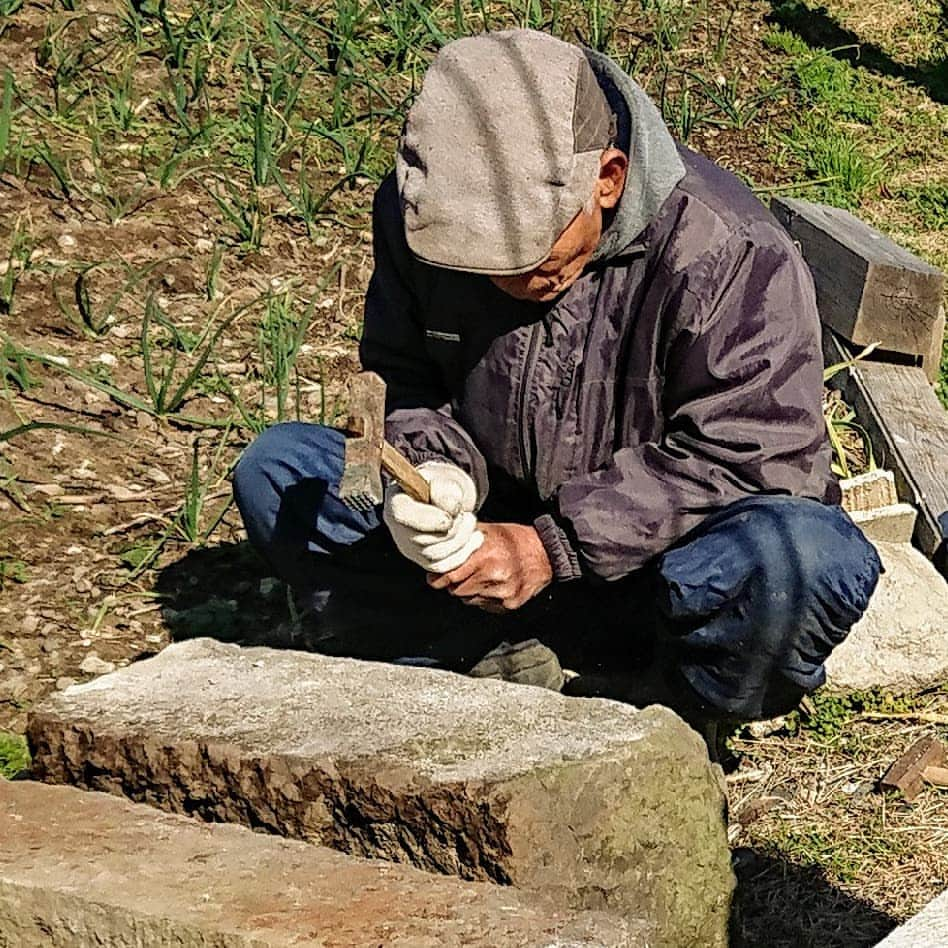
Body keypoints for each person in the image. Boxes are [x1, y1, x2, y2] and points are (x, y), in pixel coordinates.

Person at [234, 29, 882, 741]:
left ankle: (676, 719)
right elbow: (403, 376)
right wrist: (429, 476)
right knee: (282, 474)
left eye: (532, 255)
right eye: (480, 266)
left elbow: (753, 458)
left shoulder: (728, 250)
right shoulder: (423, 211)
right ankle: (484, 655)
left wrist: (553, 547)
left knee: (802, 559)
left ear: (606, 178)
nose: (511, 284)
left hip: (654, 577)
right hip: (492, 542)